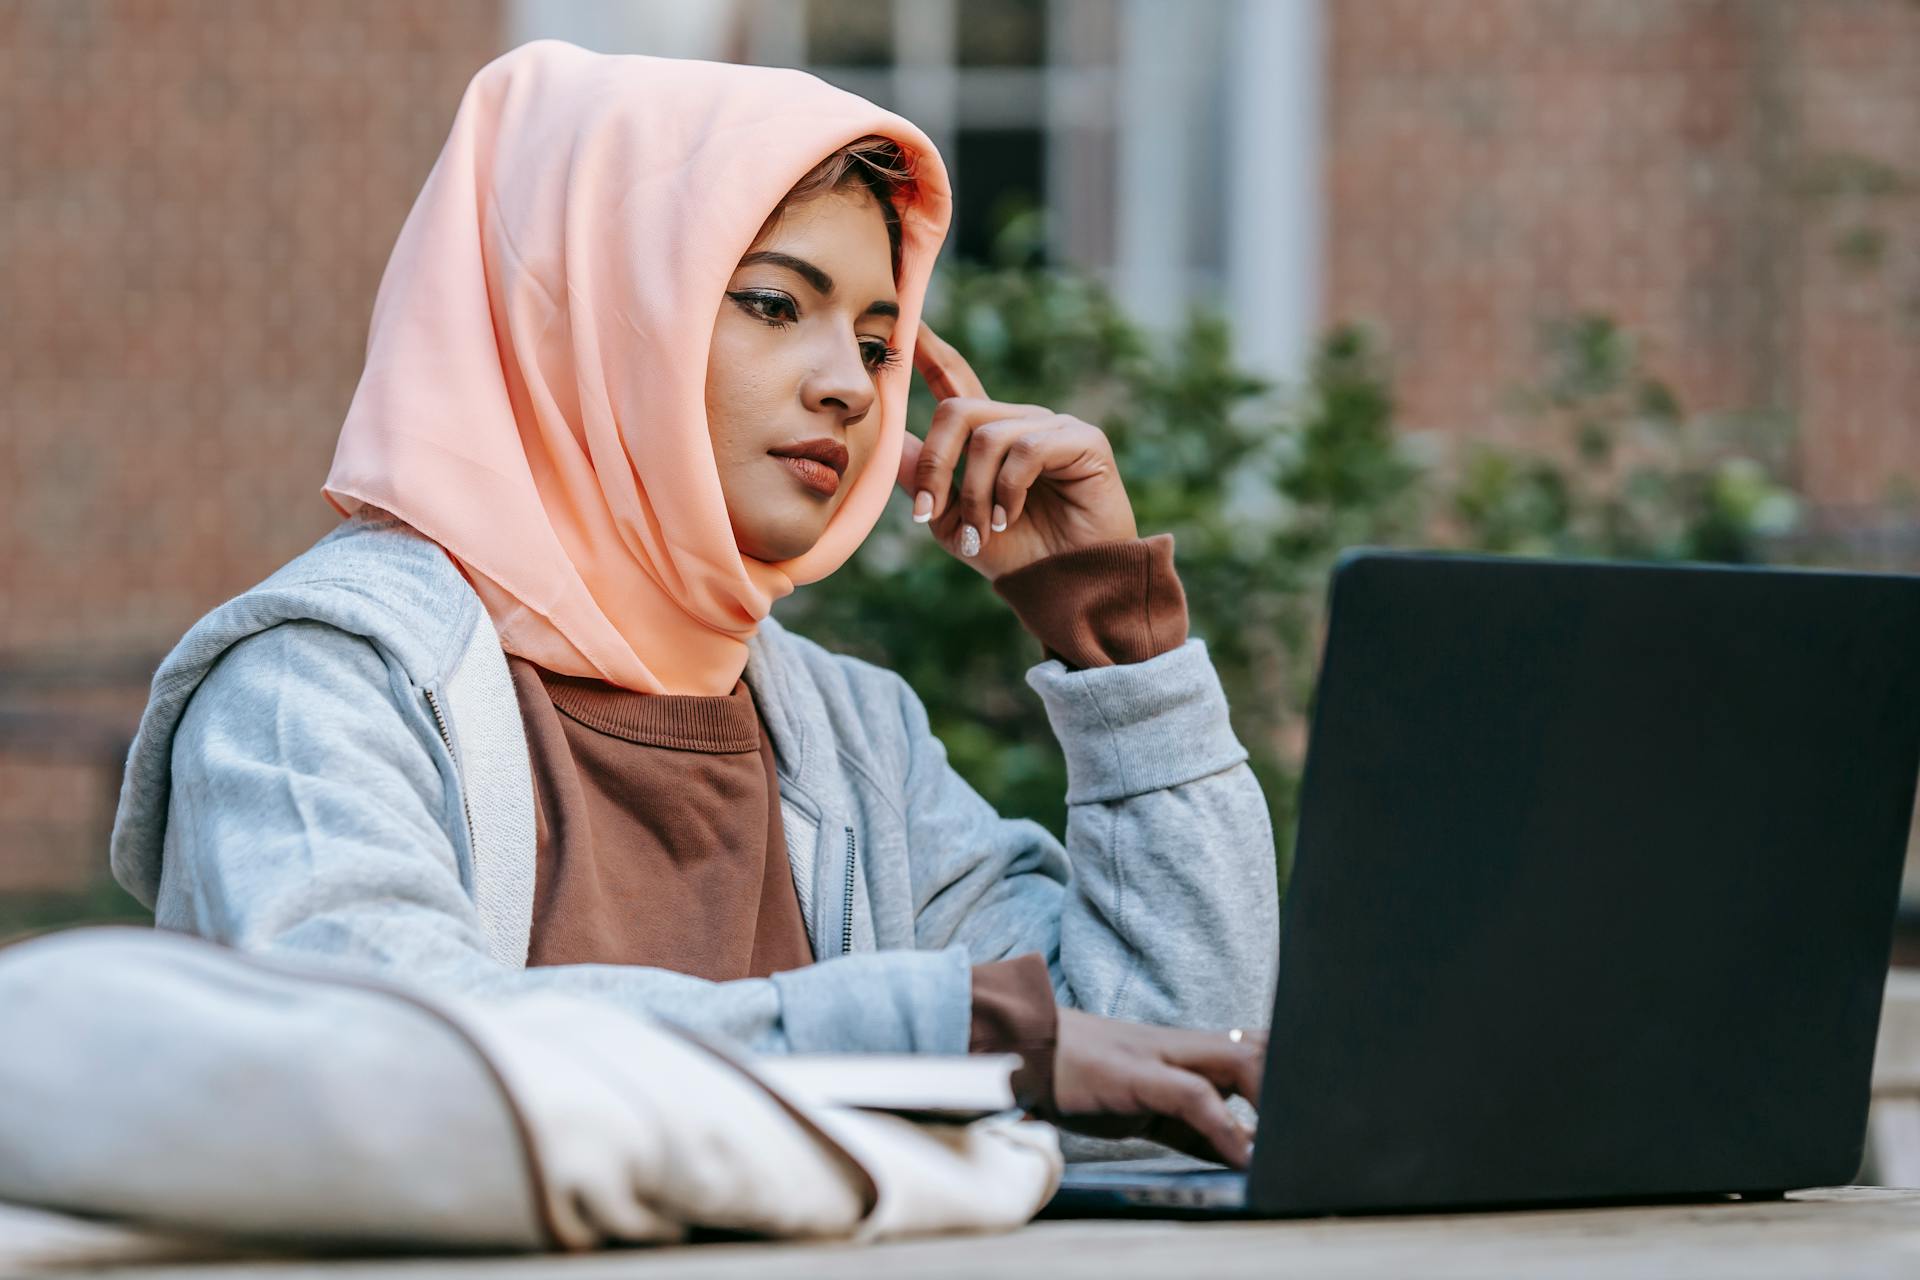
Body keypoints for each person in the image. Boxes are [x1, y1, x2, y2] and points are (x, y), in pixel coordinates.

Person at [107, 40, 1279, 1167]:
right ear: (587, 312)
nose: (848, 386)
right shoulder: (318, 683)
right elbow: (392, 1058)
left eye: (880, 342)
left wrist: (1116, 636)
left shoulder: (849, 735)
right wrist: (931, 1031)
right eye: (776, 304)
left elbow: (1168, 1074)